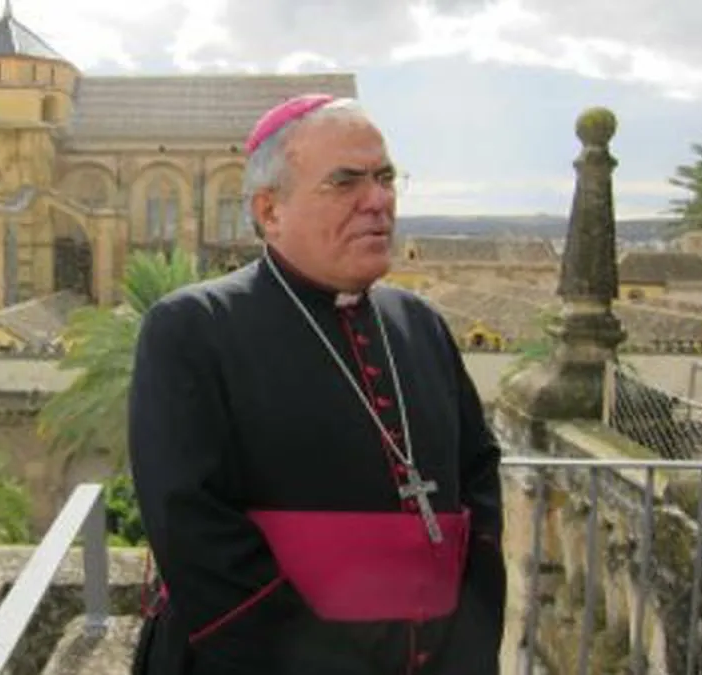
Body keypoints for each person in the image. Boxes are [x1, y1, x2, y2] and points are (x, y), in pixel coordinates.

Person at [127, 94, 506, 675]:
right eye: (345, 182)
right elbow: (193, 531)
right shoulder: (193, 328)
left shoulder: (421, 323)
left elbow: (478, 484)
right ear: (270, 210)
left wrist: (466, 651)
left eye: (385, 178)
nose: (377, 200)